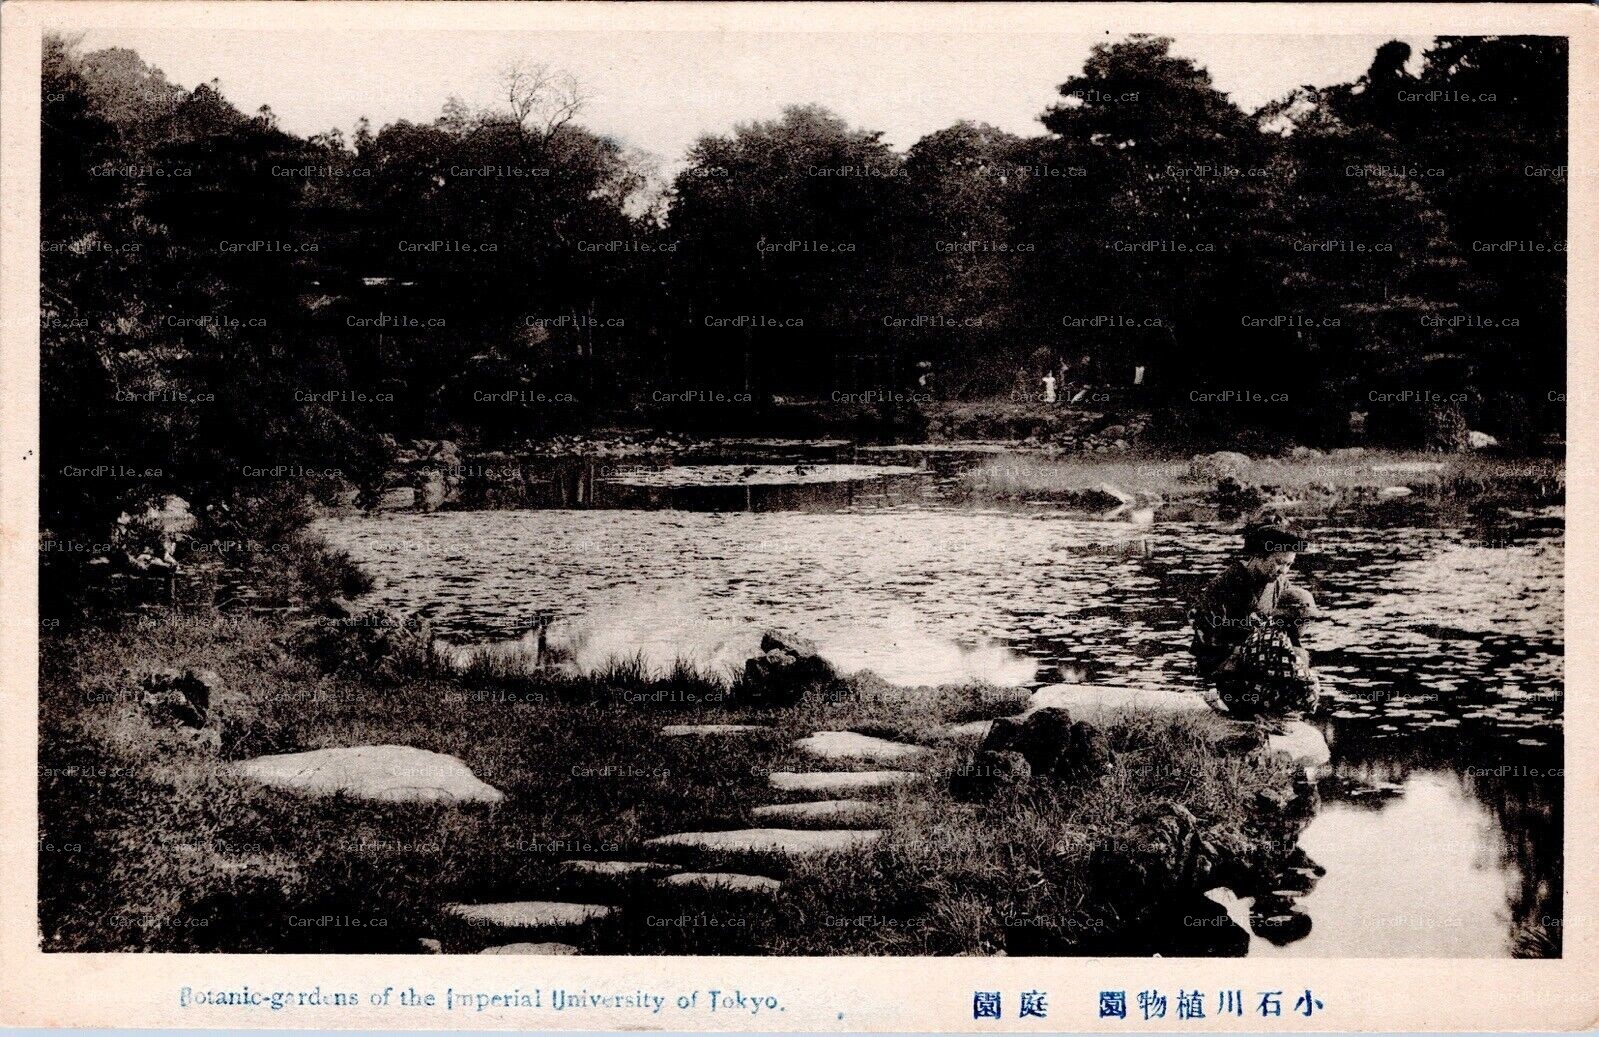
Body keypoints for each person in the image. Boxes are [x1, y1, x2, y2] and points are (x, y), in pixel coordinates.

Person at [1188, 522, 1319, 718]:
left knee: (1301, 656)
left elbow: (1290, 634)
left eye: (1289, 564)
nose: (1283, 570)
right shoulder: (1223, 586)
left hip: (1265, 662)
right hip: (1231, 669)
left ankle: (1281, 707)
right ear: (1258, 554)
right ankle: (1228, 700)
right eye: (1278, 562)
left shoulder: (1280, 584)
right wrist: (1246, 652)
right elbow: (1205, 645)